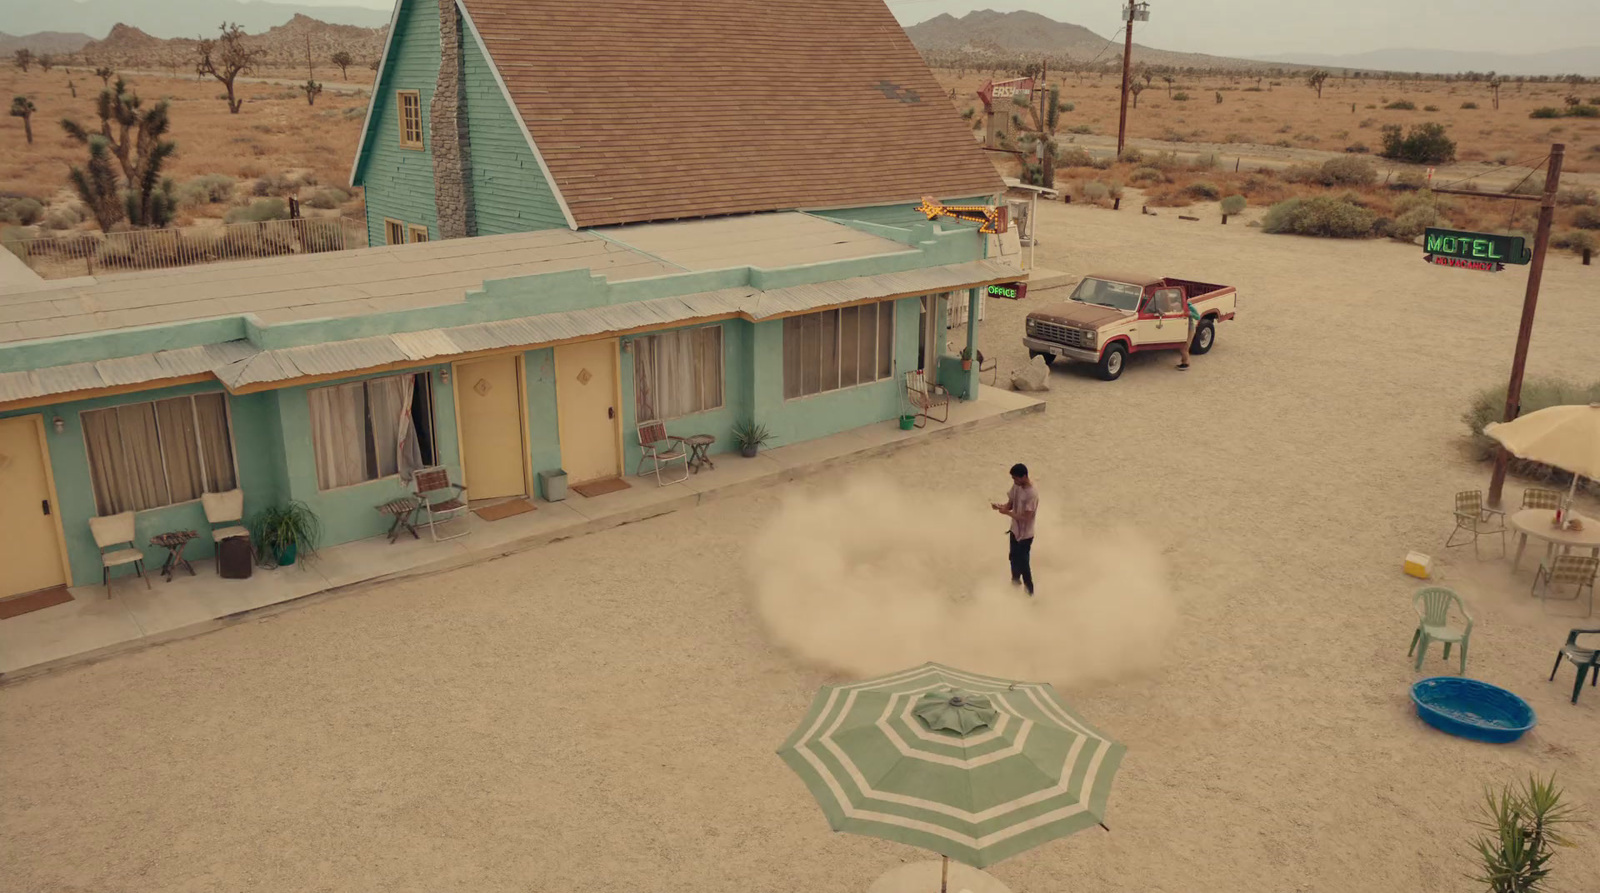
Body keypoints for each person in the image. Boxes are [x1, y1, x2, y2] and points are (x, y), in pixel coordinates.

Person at [991, 463, 1038, 596]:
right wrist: (1002, 506)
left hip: (1025, 536)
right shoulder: (1017, 486)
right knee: (1013, 558)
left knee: (1024, 565)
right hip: (1015, 531)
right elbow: (1011, 504)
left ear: (1023, 477)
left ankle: (1030, 593)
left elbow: (1026, 518)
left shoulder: (1032, 494)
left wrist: (1006, 513)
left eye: (1015, 478)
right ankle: (1015, 585)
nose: (1014, 481)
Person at [1177, 296, 1200, 371]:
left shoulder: (1190, 307)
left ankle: (1186, 363)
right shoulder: (1179, 305)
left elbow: (1198, 317)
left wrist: (1190, 314)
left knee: (1185, 347)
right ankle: (1183, 362)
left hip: (1190, 328)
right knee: (1182, 347)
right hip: (1183, 328)